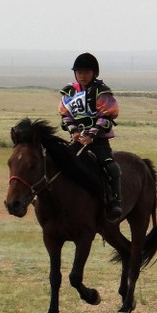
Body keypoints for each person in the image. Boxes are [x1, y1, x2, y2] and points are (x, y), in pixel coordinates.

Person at [59, 52, 123, 219]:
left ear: (94, 73)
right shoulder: (69, 92)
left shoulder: (102, 92)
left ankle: (114, 200)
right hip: (78, 139)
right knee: (61, 164)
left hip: (98, 141)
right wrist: (73, 131)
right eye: (79, 72)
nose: (82, 76)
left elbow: (107, 116)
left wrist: (92, 135)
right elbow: (65, 115)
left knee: (110, 167)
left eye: (86, 72)